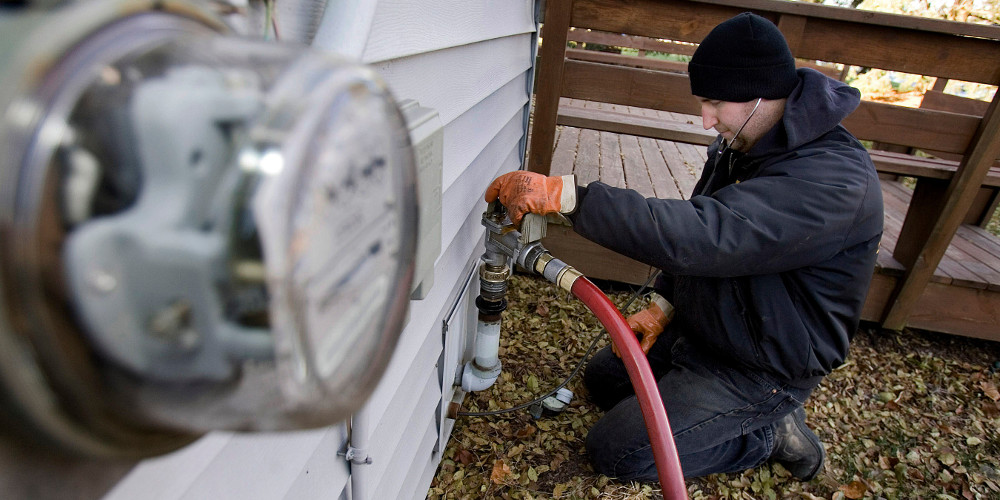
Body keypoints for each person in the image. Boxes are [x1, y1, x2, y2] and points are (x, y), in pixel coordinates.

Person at [484, 12, 883, 482]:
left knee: (616, 453)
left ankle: (770, 433)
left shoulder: (833, 181)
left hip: (758, 365)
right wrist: (664, 304)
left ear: (760, 93)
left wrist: (569, 198)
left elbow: (706, 234)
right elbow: (704, 223)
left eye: (715, 103)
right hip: (710, 330)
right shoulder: (745, 141)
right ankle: (696, 400)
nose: (706, 119)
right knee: (604, 378)